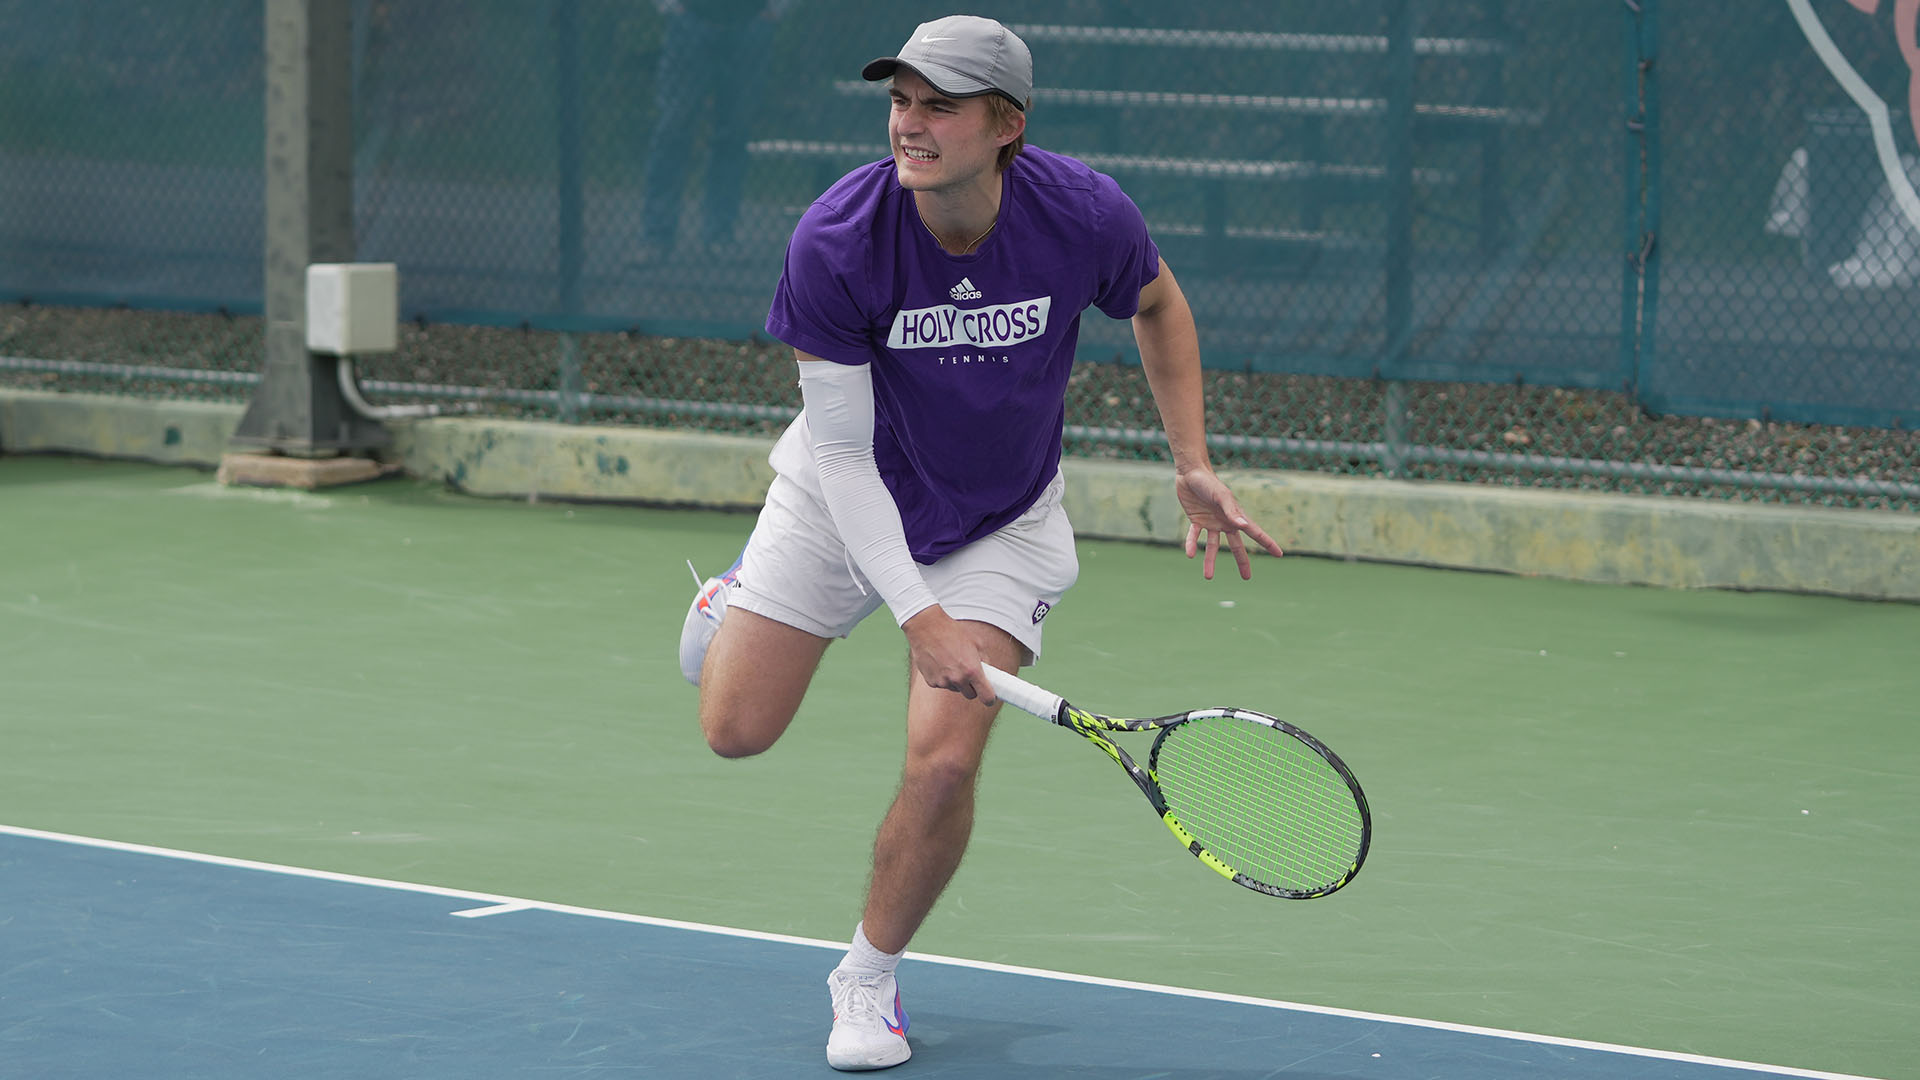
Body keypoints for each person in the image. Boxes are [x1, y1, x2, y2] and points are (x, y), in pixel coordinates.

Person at [677, 15, 1285, 1071]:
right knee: (735, 731)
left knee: (946, 761)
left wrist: (1189, 458)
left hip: (999, 519)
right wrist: (919, 618)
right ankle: (731, 601)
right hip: (842, 493)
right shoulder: (838, 238)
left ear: (1006, 125)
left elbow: (1158, 301)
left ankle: (866, 978)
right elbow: (849, 460)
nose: (910, 125)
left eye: (939, 105)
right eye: (901, 100)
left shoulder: (1081, 213)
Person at [637, 0, 796, 260]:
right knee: (673, 128)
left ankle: (720, 235)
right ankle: (656, 236)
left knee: (733, 134)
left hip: (749, 24)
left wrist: (775, 11)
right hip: (690, 21)